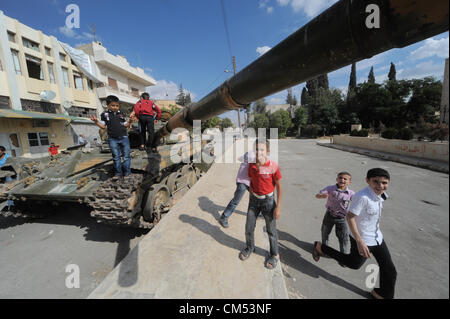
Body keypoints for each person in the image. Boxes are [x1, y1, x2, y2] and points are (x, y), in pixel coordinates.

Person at [312, 168, 397, 299]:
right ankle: (320, 247)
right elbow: (350, 217)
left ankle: (381, 294)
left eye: (384, 183)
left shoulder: (382, 194)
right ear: (368, 181)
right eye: (376, 182)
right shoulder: (362, 197)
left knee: (390, 270)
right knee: (354, 264)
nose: (380, 186)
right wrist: (359, 241)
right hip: (362, 239)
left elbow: (380, 201)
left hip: (377, 238)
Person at [239, 139, 282, 270]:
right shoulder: (251, 166)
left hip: (268, 202)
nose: (259, 152)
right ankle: (249, 247)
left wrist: (278, 207)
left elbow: (279, 187)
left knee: (271, 230)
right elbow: (252, 181)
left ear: (267, 151)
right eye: (257, 149)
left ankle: (274, 254)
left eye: (262, 149)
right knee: (249, 227)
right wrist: (252, 195)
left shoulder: (273, 166)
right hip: (254, 201)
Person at [90, 95, 132, 178]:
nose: (115, 107)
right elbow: (103, 126)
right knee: (116, 157)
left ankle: (127, 172)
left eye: (117, 105)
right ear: (108, 105)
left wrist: (130, 121)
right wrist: (96, 121)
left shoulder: (121, 114)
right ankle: (118, 173)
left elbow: (125, 125)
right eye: (113, 105)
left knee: (126, 156)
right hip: (112, 139)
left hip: (124, 138)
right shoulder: (105, 114)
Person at [315, 172, 355, 256]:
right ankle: (325, 250)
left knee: (343, 237)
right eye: (340, 178)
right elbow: (318, 195)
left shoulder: (351, 193)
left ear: (349, 182)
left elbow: (357, 203)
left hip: (342, 218)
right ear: (337, 179)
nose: (342, 180)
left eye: (345, 179)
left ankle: (343, 256)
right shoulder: (330, 188)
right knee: (325, 233)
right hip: (329, 215)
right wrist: (321, 196)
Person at [219, 151, 255, 228]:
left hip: (248, 181)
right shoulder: (252, 156)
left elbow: (240, 158)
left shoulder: (250, 153)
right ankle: (224, 217)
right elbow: (252, 172)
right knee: (236, 200)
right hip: (243, 181)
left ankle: (258, 212)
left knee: (256, 197)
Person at [0, 146, 15, 211]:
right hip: (2, 176)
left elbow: (12, 166)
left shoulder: (8, 157)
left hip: (9, 175)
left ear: (3, 151)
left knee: (10, 190)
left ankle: (11, 205)